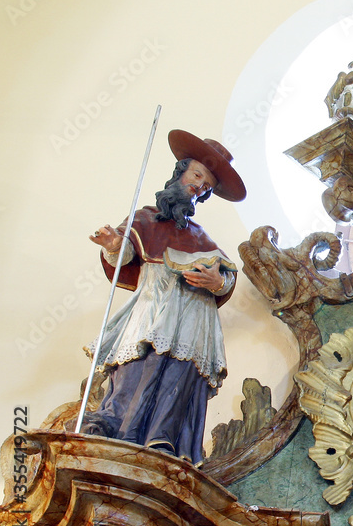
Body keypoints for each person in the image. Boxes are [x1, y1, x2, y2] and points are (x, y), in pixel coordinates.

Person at [81, 130, 246, 465]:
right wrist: (115, 246)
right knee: (134, 367)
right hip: (150, 310)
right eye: (196, 176)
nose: (198, 187)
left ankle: (162, 441)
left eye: (205, 187)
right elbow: (126, 253)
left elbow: (226, 276)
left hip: (191, 320)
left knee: (176, 376)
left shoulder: (201, 238)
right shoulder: (143, 218)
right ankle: (114, 427)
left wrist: (216, 281)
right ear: (180, 173)